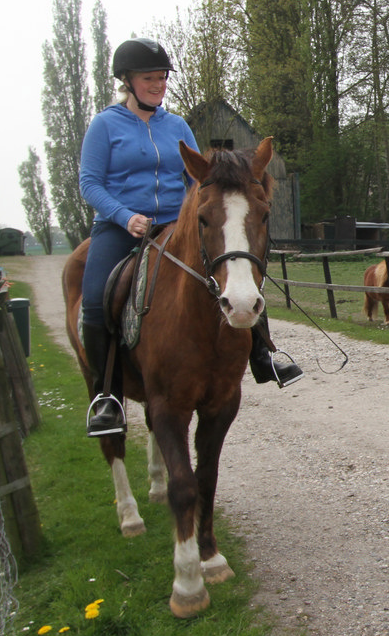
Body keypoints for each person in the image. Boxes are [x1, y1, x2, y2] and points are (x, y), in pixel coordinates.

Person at [78, 38, 301, 437]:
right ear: (127, 81)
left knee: (237, 273)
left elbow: (202, 180)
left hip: (174, 225)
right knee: (96, 302)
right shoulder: (105, 125)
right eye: (149, 78)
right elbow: (90, 183)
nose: (158, 85)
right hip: (118, 227)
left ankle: (264, 355)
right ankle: (106, 396)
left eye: (162, 78)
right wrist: (125, 217)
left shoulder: (177, 126)